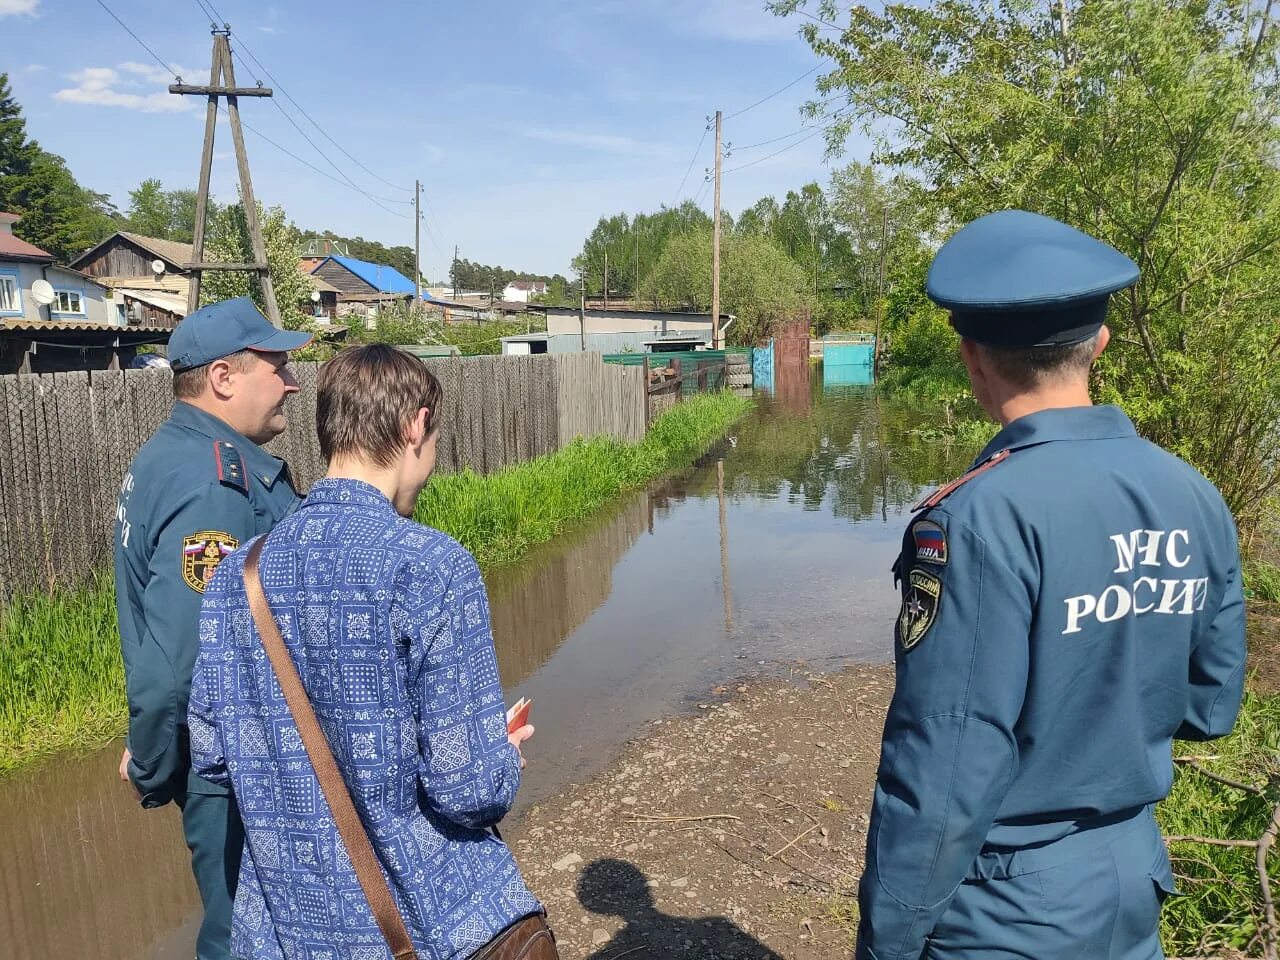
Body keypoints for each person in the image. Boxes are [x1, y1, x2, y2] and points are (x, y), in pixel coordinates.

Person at [856, 210, 1246, 960]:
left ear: (971, 356)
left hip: (1007, 914)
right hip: (1132, 879)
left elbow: (944, 768)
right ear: (1099, 343)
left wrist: (888, 939)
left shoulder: (974, 520)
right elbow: (1211, 704)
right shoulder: (1192, 492)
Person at [187, 343, 554, 960]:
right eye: (433, 439)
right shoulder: (433, 568)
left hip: (285, 934)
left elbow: (212, 753)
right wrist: (501, 755)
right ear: (416, 424)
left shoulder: (235, 577)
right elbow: (468, 791)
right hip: (421, 925)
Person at [113, 297, 312, 960]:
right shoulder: (213, 485)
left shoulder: (171, 455)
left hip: (232, 765)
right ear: (223, 378)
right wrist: (153, 763)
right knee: (244, 940)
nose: (291, 380)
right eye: (276, 364)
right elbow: (178, 668)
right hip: (239, 776)